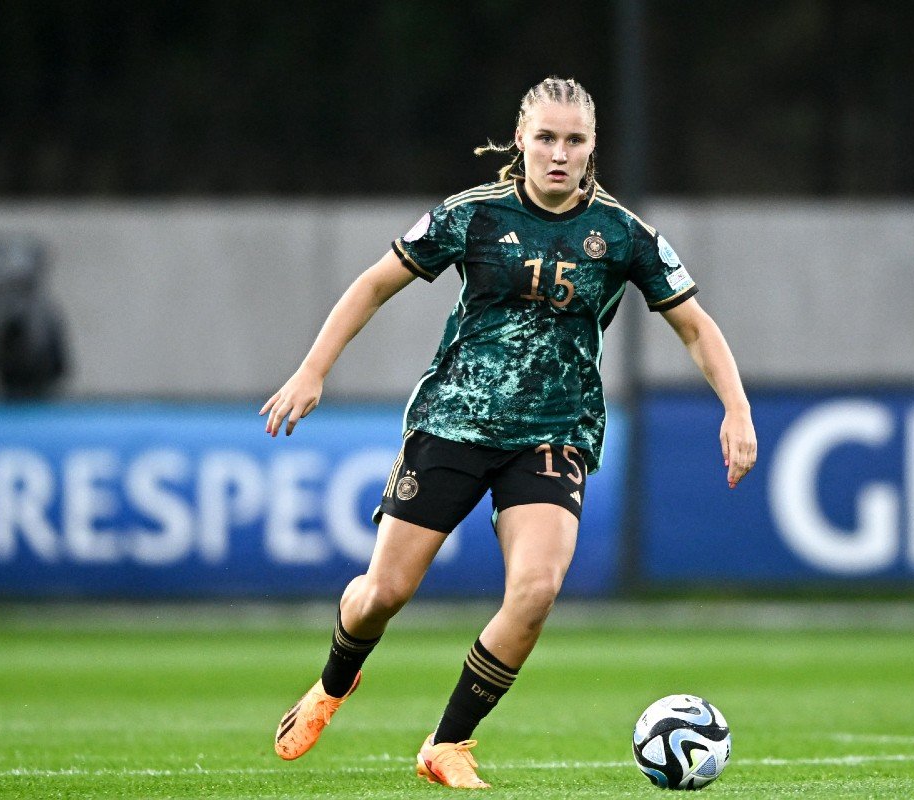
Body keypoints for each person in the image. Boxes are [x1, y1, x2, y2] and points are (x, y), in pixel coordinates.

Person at [261, 76, 757, 790]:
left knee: (535, 589)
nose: (560, 153)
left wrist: (736, 410)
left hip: (554, 434)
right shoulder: (474, 215)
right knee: (382, 594)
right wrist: (312, 372)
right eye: (547, 137)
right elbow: (373, 283)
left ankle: (448, 743)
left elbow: (694, 326)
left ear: (592, 148)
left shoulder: (623, 235)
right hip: (454, 423)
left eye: (575, 140)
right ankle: (333, 686)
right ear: (520, 138)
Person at [0, 234, 69, 400]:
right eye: (4, 288)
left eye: (20, 286)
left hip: (34, 398)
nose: (12, 299)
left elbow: (58, 367)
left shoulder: (45, 313)